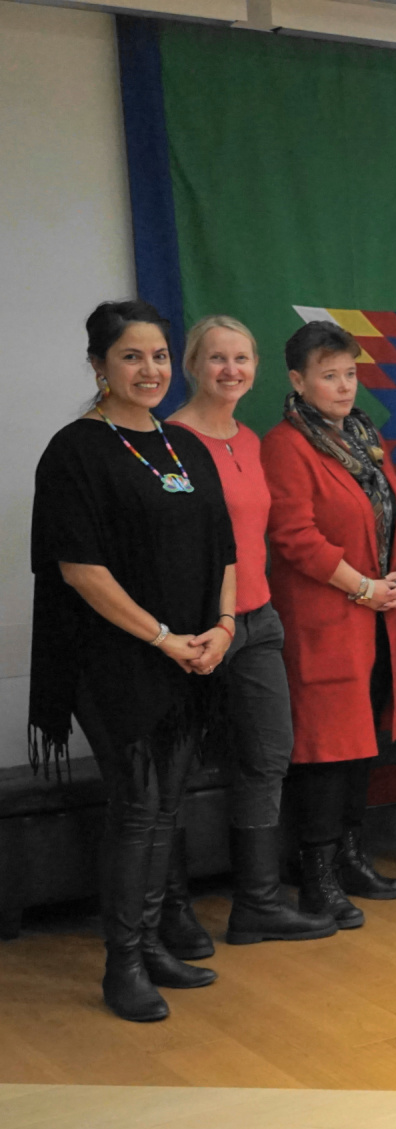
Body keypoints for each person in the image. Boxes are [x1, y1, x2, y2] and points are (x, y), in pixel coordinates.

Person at [31, 300, 236, 1021]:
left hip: (191, 651)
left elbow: (224, 549)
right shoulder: (74, 450)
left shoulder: (184, 446)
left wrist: (223, 623)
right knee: (138, 804)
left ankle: (149, 941)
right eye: (129, 357)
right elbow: (81, 570)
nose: (147, 370)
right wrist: (162, 637)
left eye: (156, 356)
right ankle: (122, 962)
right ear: (98, 366)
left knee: (166, 806)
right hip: (113, 658)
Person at [166, 316, 336, 946]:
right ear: (192, 366)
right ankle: (171, 907)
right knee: (174, 770)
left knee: (266, 758)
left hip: (259, 620)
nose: (230, 370)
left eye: (241, 358)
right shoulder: (170, 441)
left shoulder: (250, 439)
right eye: (217, 359)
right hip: (196, 629)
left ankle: (257, 903)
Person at [265, 321, 396, 929]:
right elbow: (294, 536)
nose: (342, 386)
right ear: (298, 380)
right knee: (326, 754)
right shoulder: (286, 444)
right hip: (326, 617)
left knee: (363, 746)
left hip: (379, 615)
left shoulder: (362, 437)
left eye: (350, 374)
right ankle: (316, 875)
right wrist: (362, 587)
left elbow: (394, 512)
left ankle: (353, 857)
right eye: (328, 375)